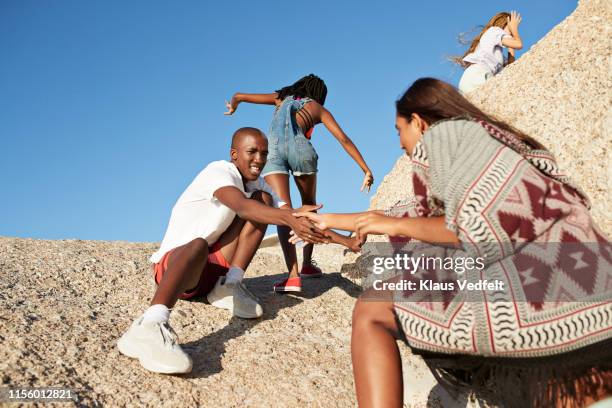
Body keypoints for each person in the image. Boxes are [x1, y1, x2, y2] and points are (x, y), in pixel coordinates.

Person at [294, 78, 612, 407]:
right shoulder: (491, 145)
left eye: (399, 130)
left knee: (372, 309)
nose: (400, 143)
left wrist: (383, 224)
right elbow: (407, 216)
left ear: (418, 122)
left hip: (552, 293)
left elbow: (470, 227)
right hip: (591, 286)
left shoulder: (451, 142)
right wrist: (327, 221)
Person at [117, 127, 328, 374]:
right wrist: (289, 217)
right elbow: (242, 207)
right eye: (252, 152)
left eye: (264, 153)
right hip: (178, 269)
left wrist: (343, 240)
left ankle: (228, 286)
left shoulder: (257, 184)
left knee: (263, 200)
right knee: (199, 243)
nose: (259, 159)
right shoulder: (218, 172)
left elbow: (286, 212)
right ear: (234, 154)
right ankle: (150, 325)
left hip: (212, 269)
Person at [225, 74, 374, 293]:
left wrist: (234, 106)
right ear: (319, 95)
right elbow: (343, 139)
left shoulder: (281, 98)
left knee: (284, 210)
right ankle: (307, 264)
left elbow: (240, 95)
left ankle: (293, 277)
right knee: (309, 206)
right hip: (302, 152)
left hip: (274, 152)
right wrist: (365, 169)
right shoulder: (318, 108)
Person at [455, 11, 523, 93]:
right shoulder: (494, 31)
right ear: (504, 23)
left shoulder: (497, 55)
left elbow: (511, 68)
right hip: (477, 75)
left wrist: (511, 42)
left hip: (473, 78)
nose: (512, 32)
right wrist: (514, 29)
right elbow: (518, 44)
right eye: (510, 27)